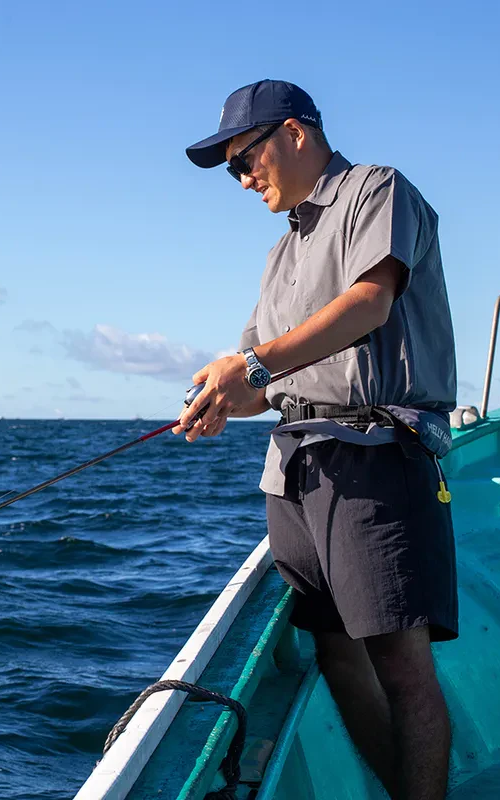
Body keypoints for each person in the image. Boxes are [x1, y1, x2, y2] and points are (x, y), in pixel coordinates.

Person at [175, 79, 459, 800]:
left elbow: (371, 300)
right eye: (234, 170)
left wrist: (254, 367)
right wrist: (219, 399)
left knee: (402, 667)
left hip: (375, 458)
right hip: (295, 472)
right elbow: (257, 374)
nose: (242, 179)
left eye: (246, 159)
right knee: (336, 657)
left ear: (295, 132)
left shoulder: (377, 191)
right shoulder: (280, 254)